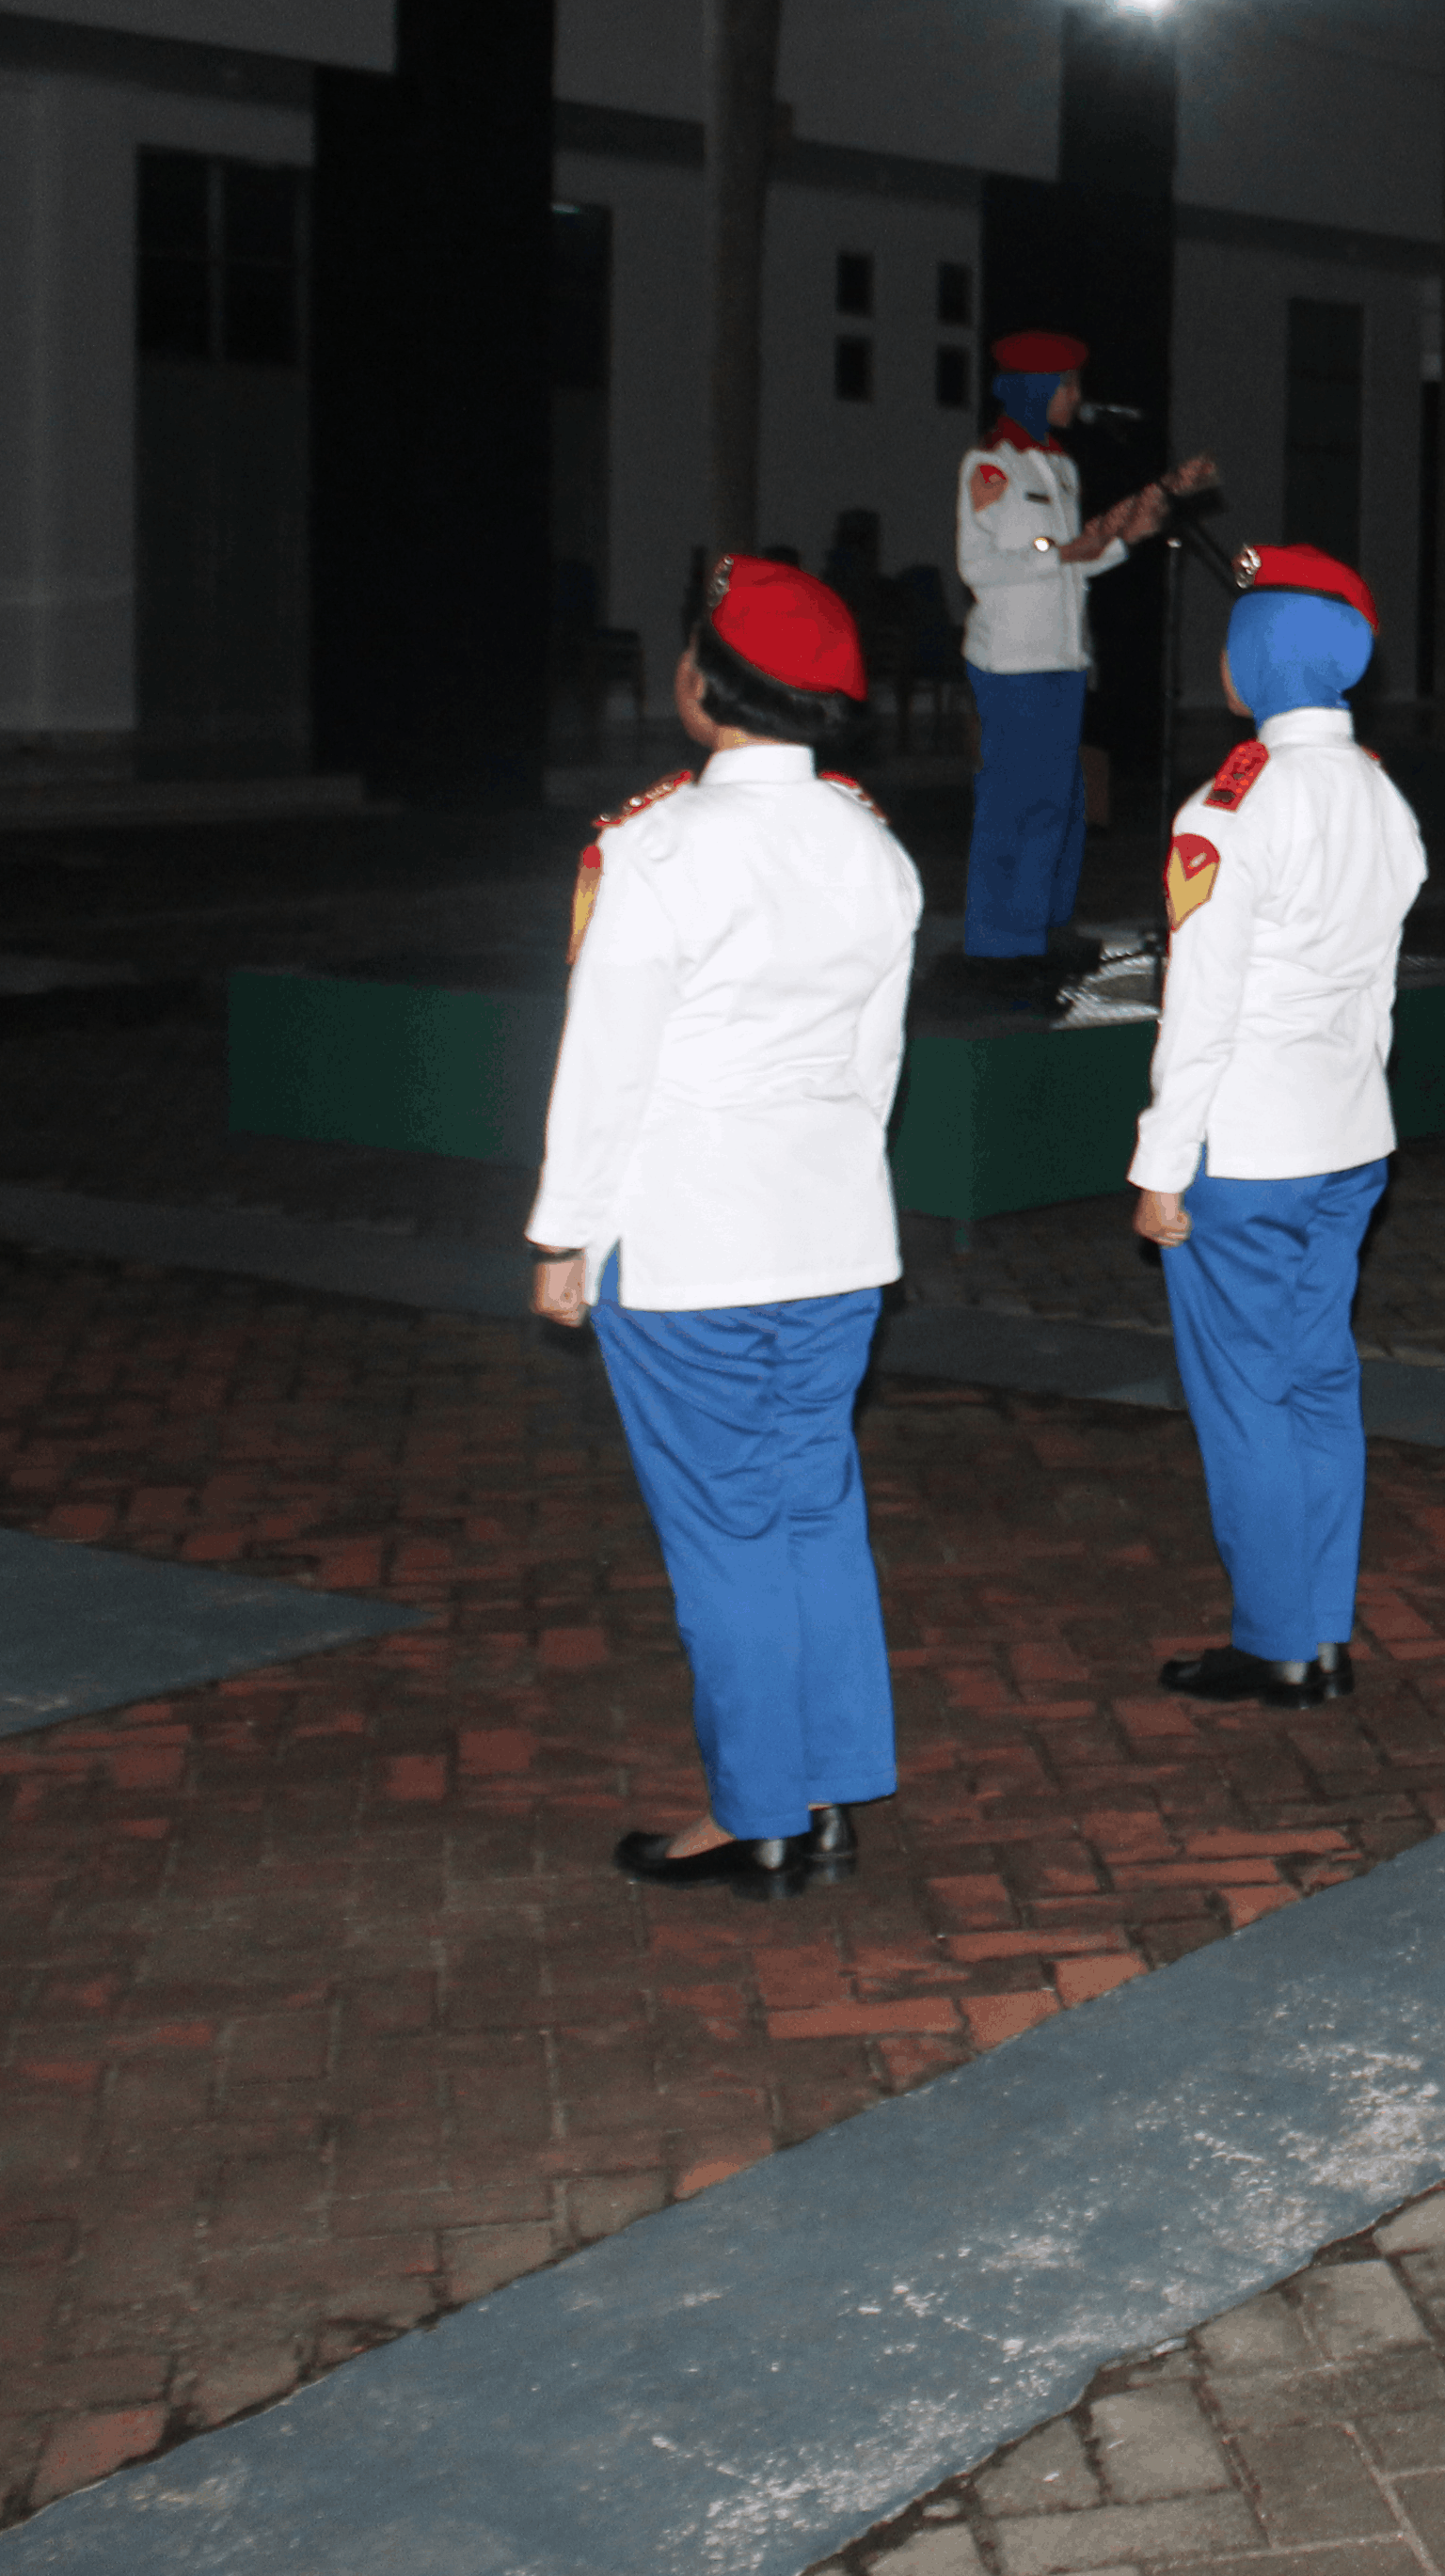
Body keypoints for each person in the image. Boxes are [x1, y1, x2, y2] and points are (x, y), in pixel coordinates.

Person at [526, 558, 922, 1899]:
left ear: (704, 685)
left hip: (689, 1244)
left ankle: (758, 1813)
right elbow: (874, 1067)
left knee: (728, 1536)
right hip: (836, 1237)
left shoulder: (659, 849)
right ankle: (826, 1787)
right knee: (814, 1510)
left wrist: (564, 1235)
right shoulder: (872, 847)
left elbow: (606, 1063)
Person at [1137, 545, 1427, 1708]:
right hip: (1348, 1135)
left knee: (1246, 1395)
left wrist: (1162, 1162)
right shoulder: (1379, 793)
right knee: (1318, 1381)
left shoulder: (1229, 807)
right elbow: (1379, 987)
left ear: (1260, 656)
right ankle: (1322, 1625)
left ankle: (1276, 1643)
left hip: (1245, 1147)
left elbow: (1198, 1007)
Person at [952, 330, 1215, 1007]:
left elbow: (1078, 561)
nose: (1076, 396)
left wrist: (1133, 528)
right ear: (1035, 388)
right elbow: (978, 565)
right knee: (1016, 804)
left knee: (1064, 805)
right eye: (1067, 384)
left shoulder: (1059, 466)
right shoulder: (991, 466)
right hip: (1012, 664)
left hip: (1063, 659)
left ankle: (1043, 929)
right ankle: (998, 945)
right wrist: (1058, 552)